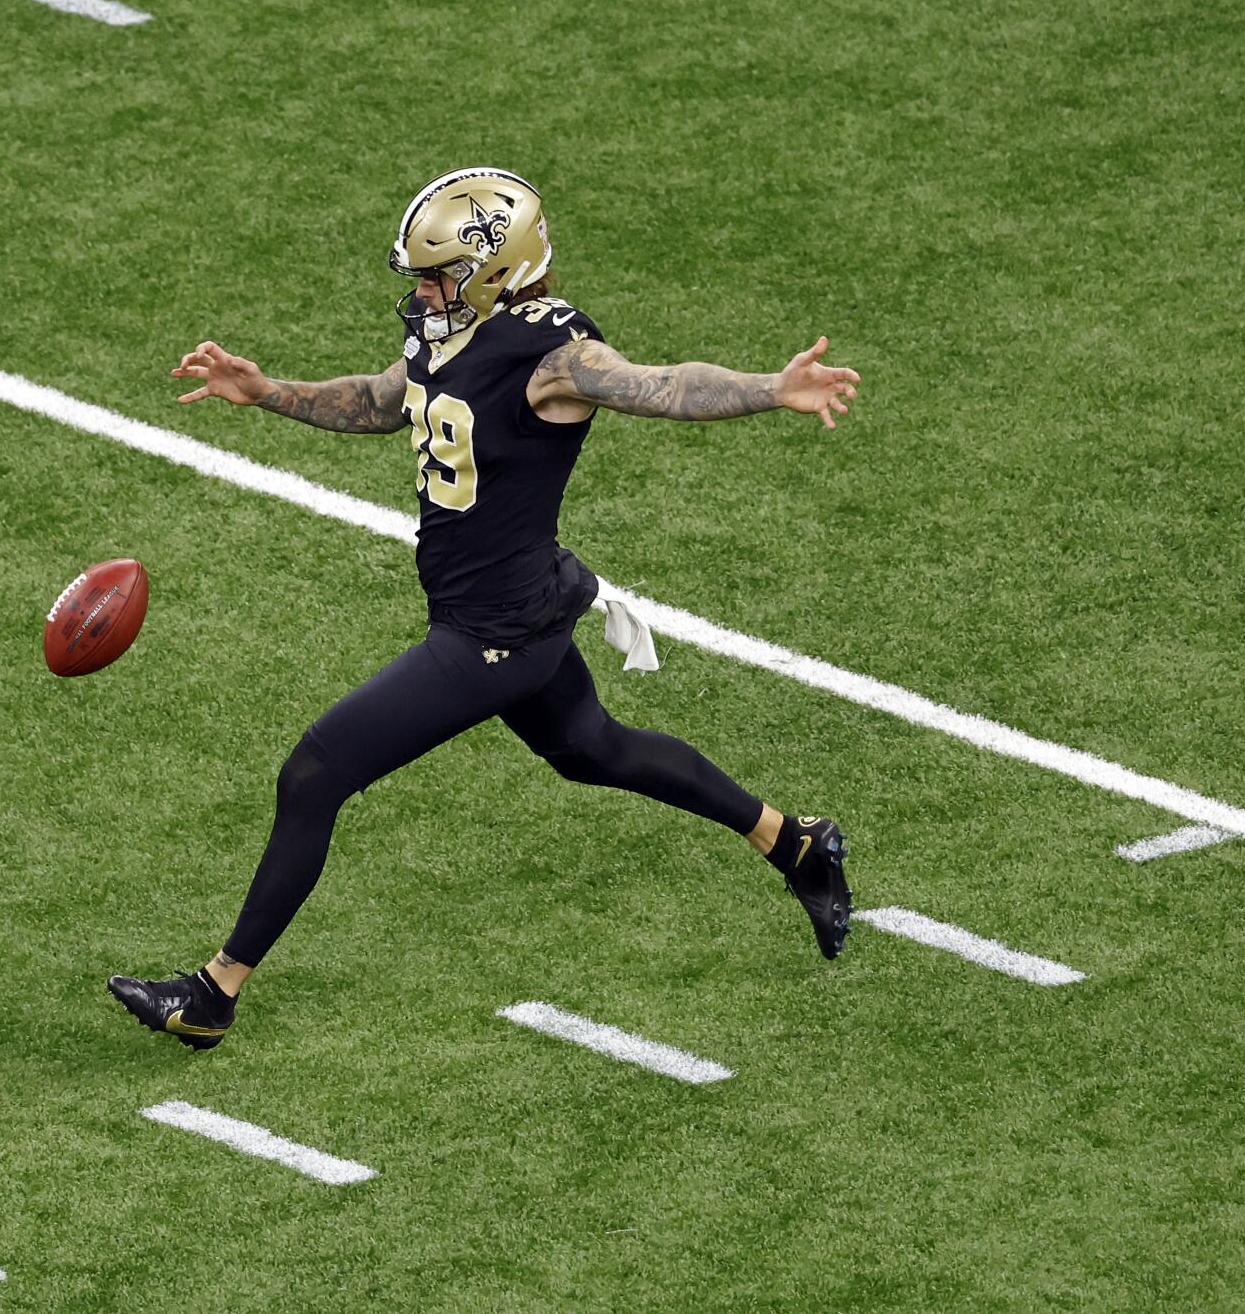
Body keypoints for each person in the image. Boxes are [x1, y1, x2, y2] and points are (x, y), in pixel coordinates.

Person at [110, 167, 860, 1051]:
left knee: (314, 773)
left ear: (497, 271)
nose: (423, 293)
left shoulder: (554, 355)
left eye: (437, 276)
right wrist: (268, 390)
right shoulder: (453, 331)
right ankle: (796, 845)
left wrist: (770, 388)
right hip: (512, 608)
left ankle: (213, 994)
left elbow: (660, 384)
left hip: (495, 634)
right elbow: (390, 401)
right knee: (593, 750)